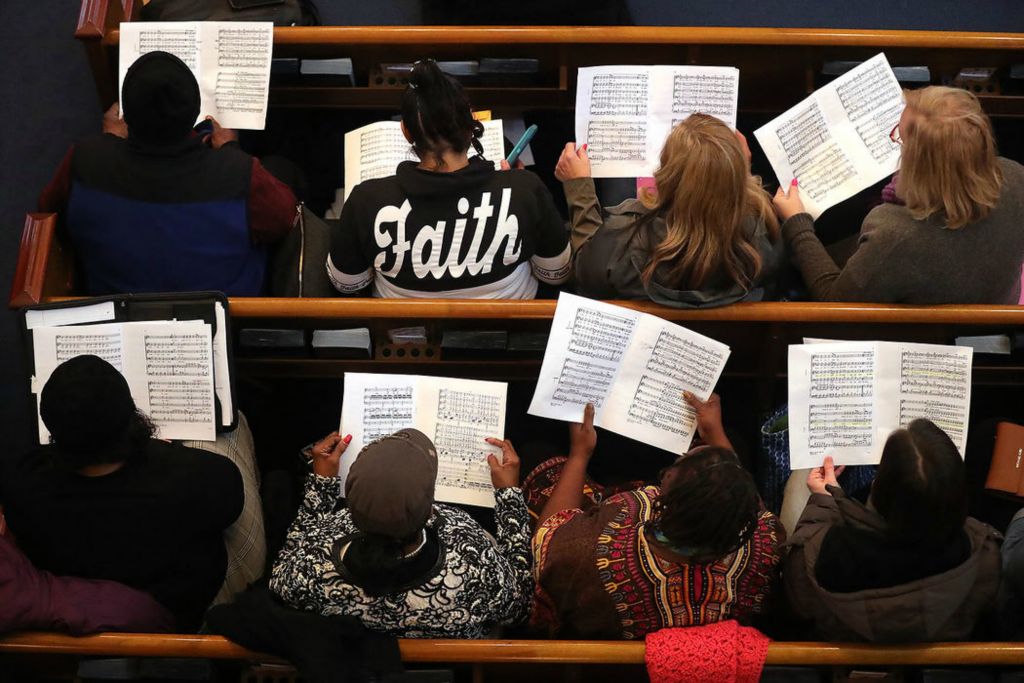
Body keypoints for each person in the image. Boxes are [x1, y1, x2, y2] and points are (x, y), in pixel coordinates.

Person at [0, 355, 258, 631]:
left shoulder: (24, 485)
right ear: (130, 417)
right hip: (183, 612)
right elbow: (231, 506)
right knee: (232, 427)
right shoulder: (193, 478)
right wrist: (163, 451)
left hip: (80, 607)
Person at [38, 50, 296, 296]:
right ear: (196, 112)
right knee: (282, 169)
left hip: (118, 306)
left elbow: (50, 213)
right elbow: (283, 220)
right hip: (227, 310)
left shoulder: (84, 160)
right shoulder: (239, 174)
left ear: (126, 118)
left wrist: (108, 144)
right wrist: (230, 149)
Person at [528, 395, 784, 639]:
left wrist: (580, 454)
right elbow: (740, 495)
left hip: (608, 654)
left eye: (668, 475)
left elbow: (546, 540)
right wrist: (714, 433)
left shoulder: (585, 552)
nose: (682, 456)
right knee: (735, 441)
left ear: (660, 503)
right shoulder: (767, 541)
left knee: (538, 453)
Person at [327, 59, 571, 298]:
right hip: (510, 328)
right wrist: (517, 195)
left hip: (403, 332)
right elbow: (555, 274)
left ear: (405, 131)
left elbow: (347, 283)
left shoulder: (366, 200)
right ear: (473, 122)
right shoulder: (524, 189)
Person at [269, 428, 532, 638]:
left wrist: (321, 484)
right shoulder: (471, 557)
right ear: (432, 511)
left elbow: (280, 580)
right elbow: (520, 606)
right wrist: (509, 495)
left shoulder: (312, 563)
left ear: (349, 510)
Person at [773, 86, 1024, 304]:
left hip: (928, 328)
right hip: (993, 297)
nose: (895, 140)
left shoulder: (895, 234)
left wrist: (797, 222)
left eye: (900, 138)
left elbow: (834, 299)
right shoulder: (1016, 175)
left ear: (920, 164)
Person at [784, 419, 1002, 642]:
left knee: (798, 479)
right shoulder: (984, 556)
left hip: (838, 658)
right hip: (938, 663)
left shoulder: (812, 556)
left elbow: (800, 607)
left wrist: (825, 500)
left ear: (877, 488)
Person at [554, 114, 783, 307]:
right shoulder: (763, 233)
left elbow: (585, 276)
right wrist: (733, 171)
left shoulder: (622, 235)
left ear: (668, 175)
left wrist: (579, 187)